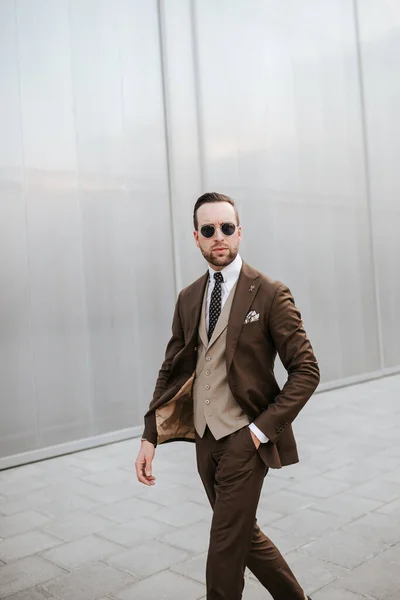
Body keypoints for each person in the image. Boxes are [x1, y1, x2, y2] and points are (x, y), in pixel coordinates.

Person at [135, 192, 319, 600]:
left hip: (244, 439)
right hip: (205, 440)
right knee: (241, 534)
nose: (219, 236)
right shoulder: (188, 298)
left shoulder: (270, 293)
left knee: (223, 544)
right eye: (209, 229)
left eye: (227, 227)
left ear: (240, 232)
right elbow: (172, 369)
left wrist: (258, 432)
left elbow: (307, 371)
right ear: (196, 238)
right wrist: (150, 435)